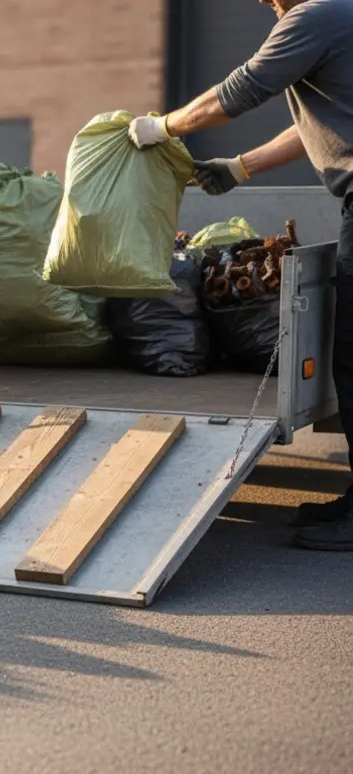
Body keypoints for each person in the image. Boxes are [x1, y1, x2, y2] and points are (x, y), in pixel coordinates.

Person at [129, 0, 353, 550]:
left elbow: (237, 92)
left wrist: (162, 126)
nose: (265, 4)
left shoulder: (315, 16)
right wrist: (240, 167)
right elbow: (316, 127)